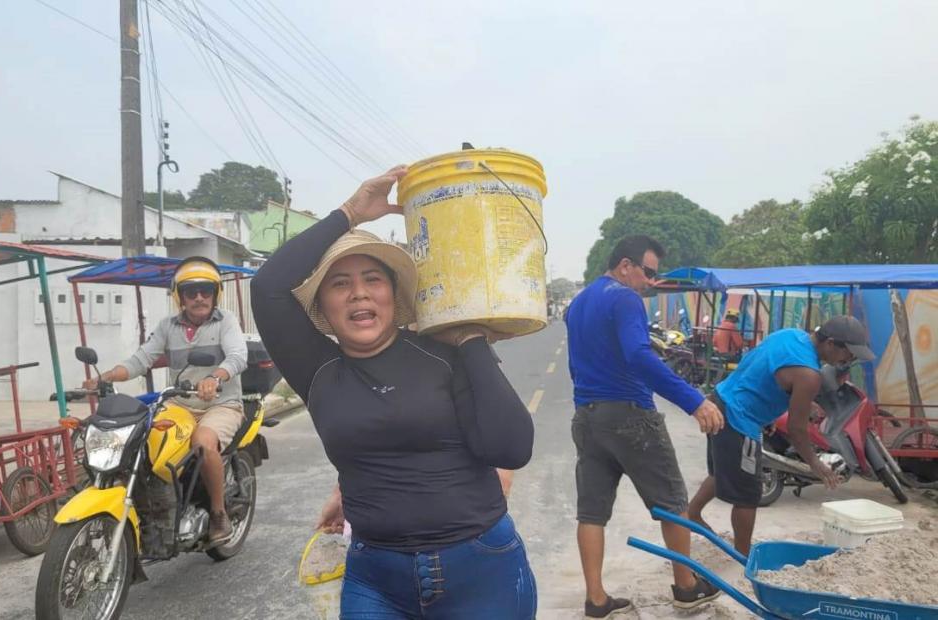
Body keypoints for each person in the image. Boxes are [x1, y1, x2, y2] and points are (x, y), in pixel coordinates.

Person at [250, 166, 537, 619]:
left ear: (392, 293)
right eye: (340, 284)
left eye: (373, 279)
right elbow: (267, 286)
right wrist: (350, 212)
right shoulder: (317, 370)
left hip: (481, 570)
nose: (358, 294)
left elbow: (512, 447)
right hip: (375, 578)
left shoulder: (444, 354)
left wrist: (470, 340)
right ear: (322, 305)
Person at [565, 235, 725, 618]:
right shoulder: (624, 299)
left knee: (591, 512)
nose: (651, 282)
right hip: (630, 415)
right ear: (626, 266)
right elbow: (638, 356)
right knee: (673, 503)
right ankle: (686, 588)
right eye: (649, 272)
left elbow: (576, 364)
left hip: (587, 416)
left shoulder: (579, 302)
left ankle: (596, 600)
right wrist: (694, 400)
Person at [83, 256, 248, 545]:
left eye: (205, 290)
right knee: (140, 439)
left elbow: (237, 356)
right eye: (191, 292)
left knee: (203, 443)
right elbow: (140, 360)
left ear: (215, 294)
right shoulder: (167, 327)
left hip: (221, 404)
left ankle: (218, 512)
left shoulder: (226, 321)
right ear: (179, 297)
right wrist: (105, 377)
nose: (199, 297)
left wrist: (214, 378)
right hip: (180, 403)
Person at [687, 316, 872, 555]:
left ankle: (693, 513)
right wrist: (815, 464)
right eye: (849, 354)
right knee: (748, 496)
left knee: (721, 471)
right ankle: (743, 557)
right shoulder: (809, 374)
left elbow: (760, 370)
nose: (849, 360)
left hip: (720, 402)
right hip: (739, 419)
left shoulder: (791, 335)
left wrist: (772, 414)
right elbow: (797, 430)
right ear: (831, 344)